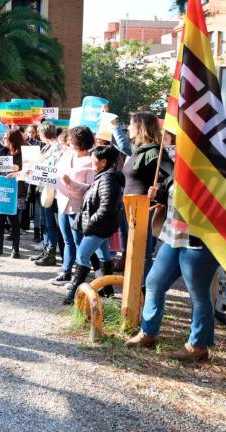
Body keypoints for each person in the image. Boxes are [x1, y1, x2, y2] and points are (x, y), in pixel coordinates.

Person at [126, 181, 221, 362]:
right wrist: (160, 194)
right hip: (174, 236)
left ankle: (198, 346)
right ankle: (148, 332)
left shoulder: (215, 165)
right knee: (154, 282)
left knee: (198, 293)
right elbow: (176, 198)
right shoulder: (183, 162)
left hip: (200, 239)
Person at [111, 112, 173, 292]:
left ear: (141, 127)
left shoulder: (155, 152)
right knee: (132, 252)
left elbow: (175, 176)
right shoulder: (138, 150)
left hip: (144, 208)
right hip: (130, 207)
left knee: (142, 254)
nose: (128, 127)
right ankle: (134, 291)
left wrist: (159, 193)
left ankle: (143, 293)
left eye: (131, 124)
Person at [63, 145, 125, 304]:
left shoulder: (107, 179)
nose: (91, 161)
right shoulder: (103, 176)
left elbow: (106, 207)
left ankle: (74, 293)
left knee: (82, 255)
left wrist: (90, 225)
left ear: (103, 162)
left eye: (94, 159)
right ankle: (108, 290)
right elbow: (91, 192)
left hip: (99, 227)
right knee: (104, 257)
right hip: (101, 226)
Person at [50, 128, 95, 286]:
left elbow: (89, 188)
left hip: (77, 207)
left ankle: (79, 275)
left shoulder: (90, 161)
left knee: (78, 242)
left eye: (71, 139)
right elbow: (54, 172)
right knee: (67, 240)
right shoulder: (67, 155)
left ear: (78, 142)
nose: (68, 142)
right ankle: (66, 271)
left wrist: (71, 182)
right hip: (62, 202)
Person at [0, 129, 25, 258]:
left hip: (17, 191)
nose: (3, 140)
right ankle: (0, 246)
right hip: (2, 190)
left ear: (13, 140)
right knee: (0, 218)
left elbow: (29, 171)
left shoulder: (23, 155)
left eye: (6, 138)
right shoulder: (2, 152)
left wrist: (17, 172)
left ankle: (16, 249)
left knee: (14, 221)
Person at [29, 122, 62, 267]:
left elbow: (52, 167)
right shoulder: (48, 146)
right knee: (44, 221)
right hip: (42, 186)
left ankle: (51, 253)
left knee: (49, 222)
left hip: (49, 189)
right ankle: (46, 250)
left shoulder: (57, 147)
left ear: (43, 133)